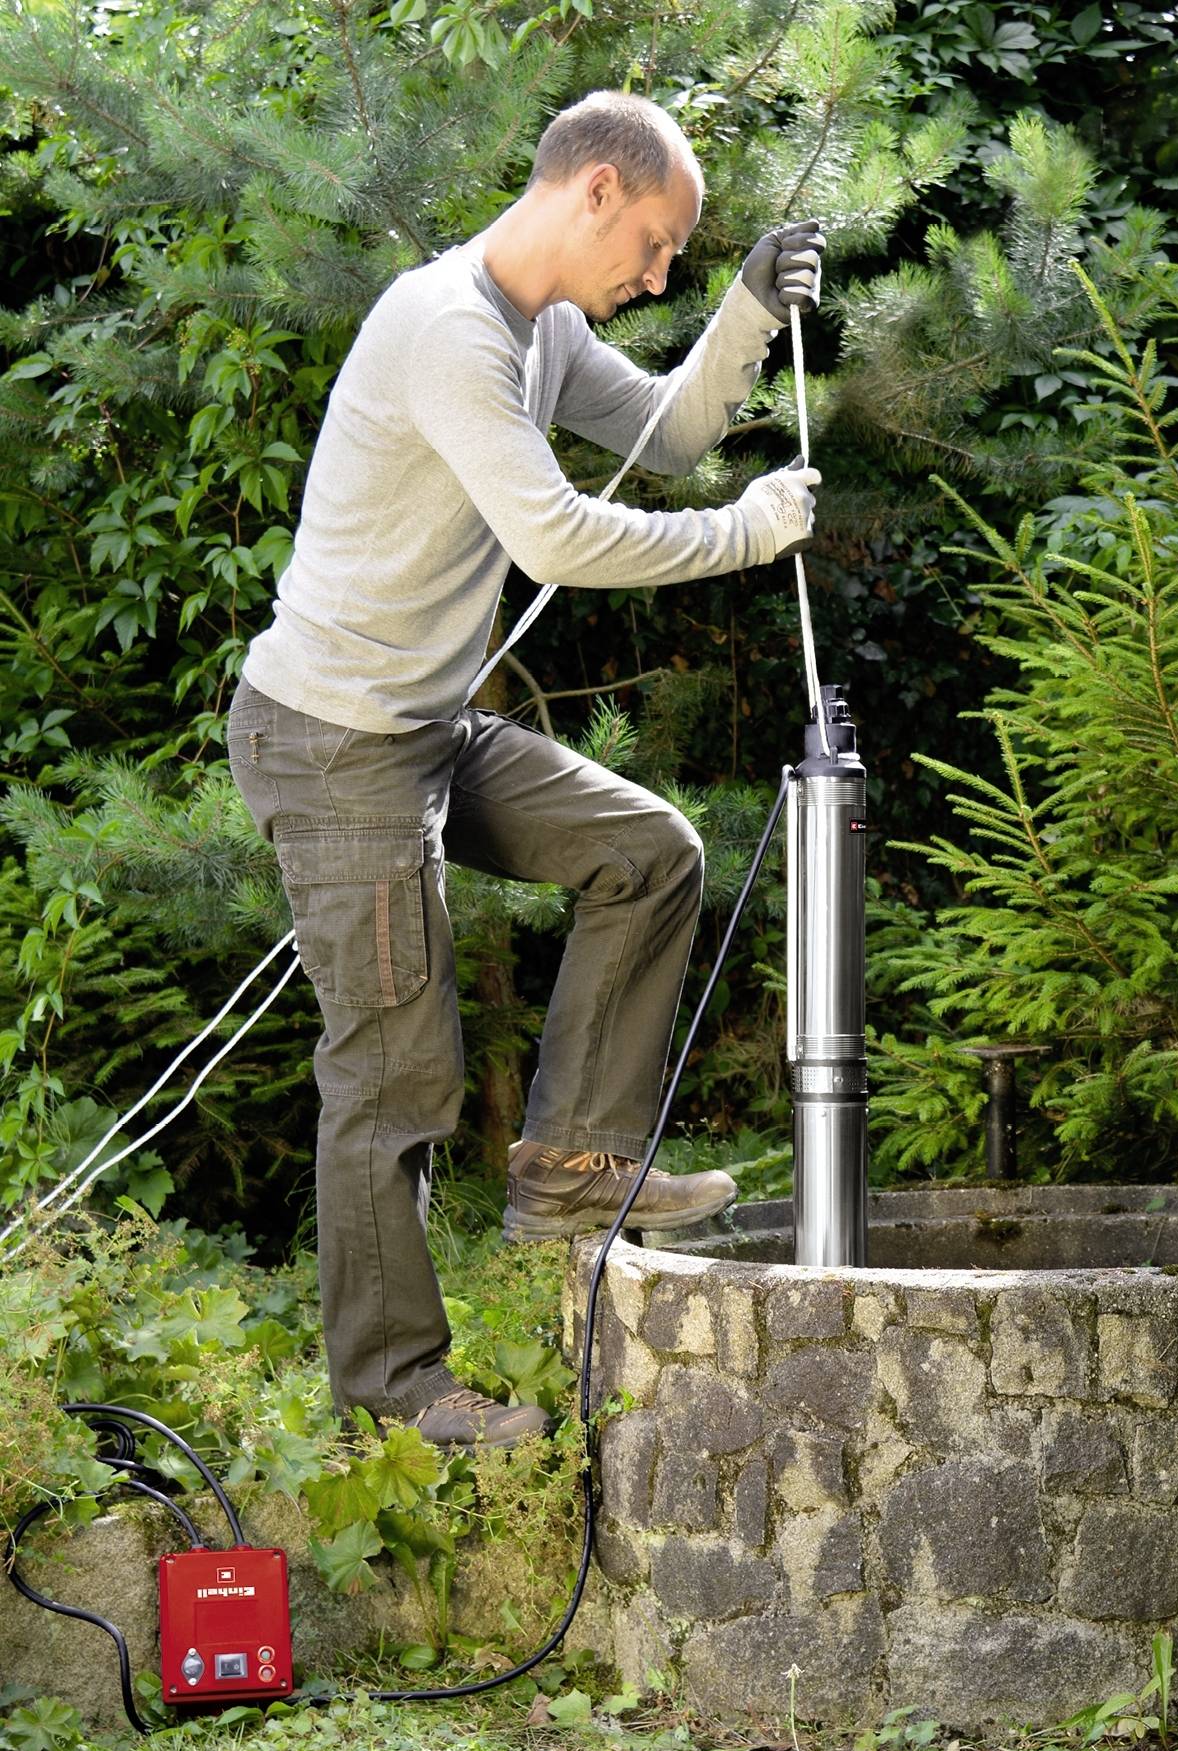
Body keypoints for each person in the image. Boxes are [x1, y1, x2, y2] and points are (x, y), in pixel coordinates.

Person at [227, 90, 824, 1449]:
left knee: (647, 853)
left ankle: (571, 1166)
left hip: (425, 725)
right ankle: (395, 1393)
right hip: (335, 744)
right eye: (663, 246)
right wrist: (740, 537)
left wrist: (742, 309)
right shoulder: (446, 328)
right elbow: (554, 539)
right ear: (596, 189)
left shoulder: (546, 329)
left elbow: (668, 435)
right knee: (394, 1076)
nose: (656, 274)